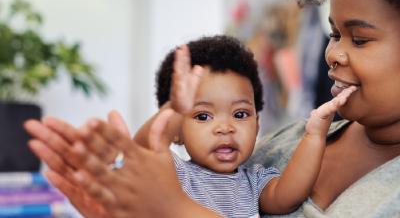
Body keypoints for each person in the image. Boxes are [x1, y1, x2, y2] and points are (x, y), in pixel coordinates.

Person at [25, 0, 400, 217]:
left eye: (360, 39)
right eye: (334, 34)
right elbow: (147, 156)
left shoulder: (257, 179)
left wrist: (175, 209)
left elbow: (283, 196)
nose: (332, 54)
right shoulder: (285, 141)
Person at [26, 35, 355, 217]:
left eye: (240, 115)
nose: (225, 128)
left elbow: (288, 195)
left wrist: (315, 133)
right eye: (202, 116)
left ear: (258, 120)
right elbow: (144, 150)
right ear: (177, 132)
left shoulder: (253, 183)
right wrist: (173, 109)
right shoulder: (174, 172)